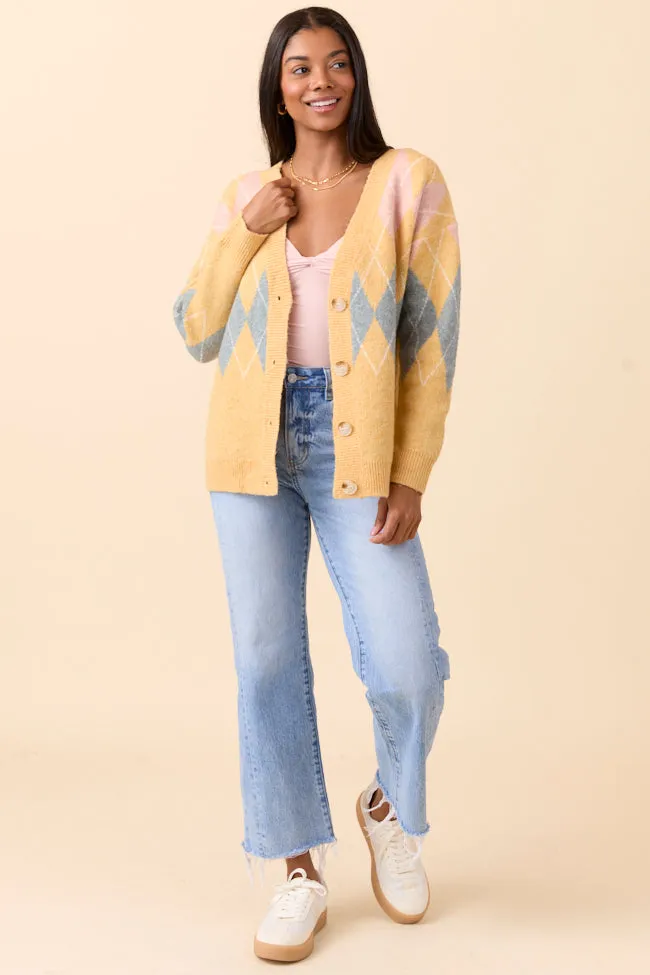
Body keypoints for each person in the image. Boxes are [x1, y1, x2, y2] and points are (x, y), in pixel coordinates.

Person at [173, 5, 461, 963]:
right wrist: (245, 230)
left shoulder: (408, 182)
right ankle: (297, 869)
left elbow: (431, 342)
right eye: (299, 68)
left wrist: (410, 472)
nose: (320, 81)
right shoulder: (247, 194)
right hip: (248, 451)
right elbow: (196, 327)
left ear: (356, 76)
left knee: (406, 662)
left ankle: (386, 804)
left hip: (358, 446)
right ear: (278, 88)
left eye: (336, 63)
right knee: (264, 661)